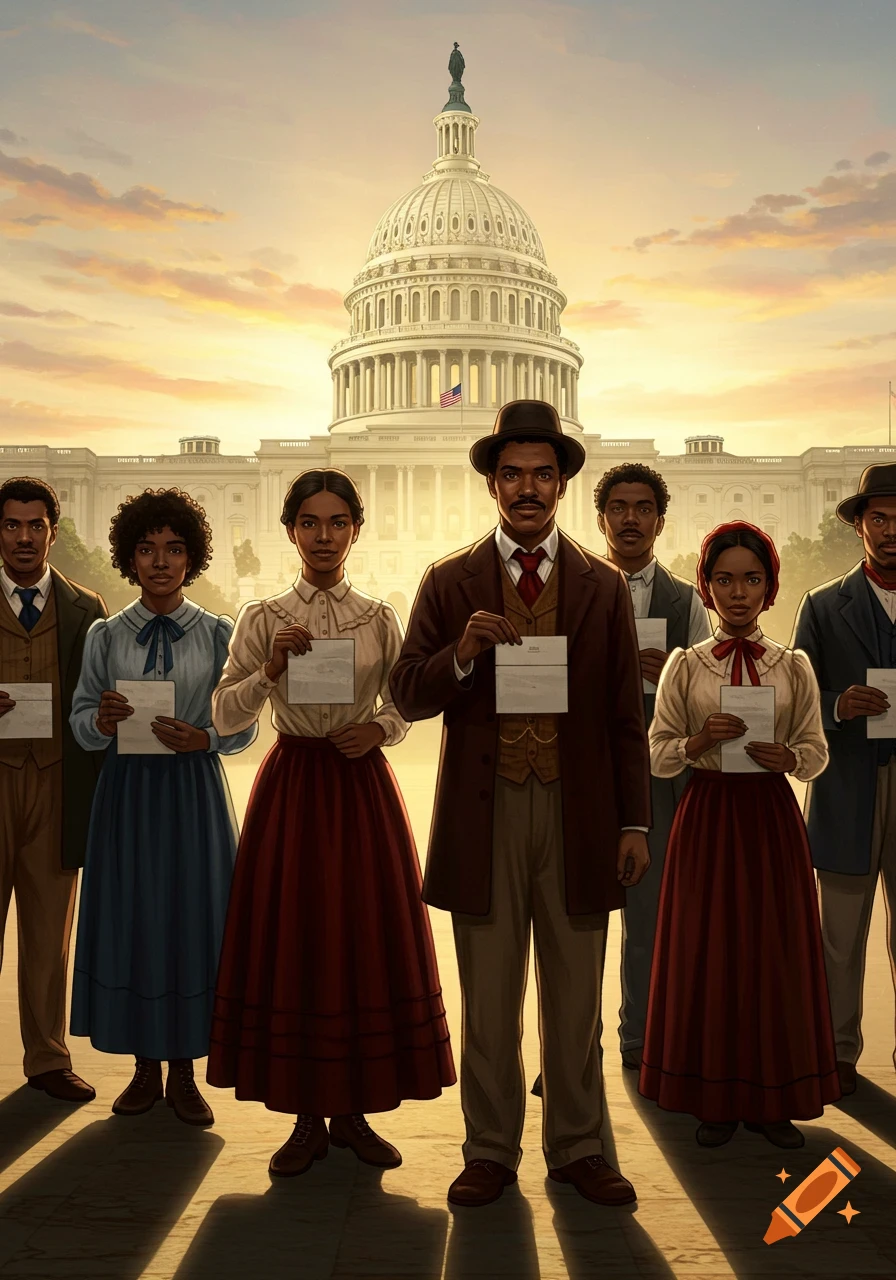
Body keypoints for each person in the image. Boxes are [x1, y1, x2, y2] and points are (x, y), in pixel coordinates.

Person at [390, 401, 651, 1209]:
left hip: (579, 812)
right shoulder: (446, 580)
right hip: (486, 809)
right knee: (490, 996)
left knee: (575, 998)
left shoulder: (603, 586)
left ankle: (578, 1147)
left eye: (543, 474)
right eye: (513, 474)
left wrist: (634, 821)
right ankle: (490, 1152)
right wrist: (459, 656)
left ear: (564, 483)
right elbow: (404, 691)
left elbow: (621, 714)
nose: (527, 488)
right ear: (492, 483)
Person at [206, 467, 454, 1177]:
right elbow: (224, 714)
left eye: (337, 522)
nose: (323, 536)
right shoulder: (260, 617)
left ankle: (354, 1112)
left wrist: (378, 730)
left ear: (354, 530)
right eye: (309, 523)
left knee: (360, 942)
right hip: (293, 786)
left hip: (359, 789)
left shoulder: (379, 616)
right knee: (297, 942)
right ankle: (306, 1118)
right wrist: (269, 673)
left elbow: (406, 701)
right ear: (290, 532)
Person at [640, 521, 840, 1150]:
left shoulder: (794, 666)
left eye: (751, 579)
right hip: (708, 817)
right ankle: (714, 1097)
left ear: (770, 587)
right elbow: (659, 752)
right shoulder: (684, 664)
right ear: (706, 587)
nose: (737, 592)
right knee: (710, 948)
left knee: (772, 952)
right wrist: (701, 741)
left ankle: (771, 1099)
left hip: (771, 819)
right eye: (724, 579)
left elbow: (816, 750)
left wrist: (791, 760)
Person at [69, 488, 255, 1125]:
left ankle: (184, 1072)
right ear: (130, 556)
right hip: (126, 794)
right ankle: (143, 1068)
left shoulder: (220, 633)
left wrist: (206, 737)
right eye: (147, 549)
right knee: (135, 917)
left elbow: (242, 719)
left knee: (192, 919)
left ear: (191, 557)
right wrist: (100, 717)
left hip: (192, 795)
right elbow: (79, 719)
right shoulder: (104, 634)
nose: (160, 561)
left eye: (174, 549)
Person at [531, 462, 710, 1097]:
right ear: (600, 518)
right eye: (619, 508)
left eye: (643, 509)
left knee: (650, 913)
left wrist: (665, 680)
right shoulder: (565, 588)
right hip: (580, 763)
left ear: (660, 522)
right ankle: (566, 1056)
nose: (630, 519)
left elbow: (709, 699)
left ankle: (641, 1042)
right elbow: (539, 684)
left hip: (657, 772)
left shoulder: (689, 603)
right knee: (569, 918)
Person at [0, 476, 105, 1103]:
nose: (23, 537)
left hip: (58, 781)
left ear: (53, 532)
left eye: (34, 525)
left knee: (47, 932)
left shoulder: (85, 607)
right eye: (11, 525)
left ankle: (46, 1058)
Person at [793, 463, 896, 1094]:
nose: (891, 532)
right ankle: (837, 1052)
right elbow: (797, 698)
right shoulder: (824, 604)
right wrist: (838, 703)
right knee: (840, 935)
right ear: (859, 525)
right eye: (879, 519)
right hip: (848, 781)